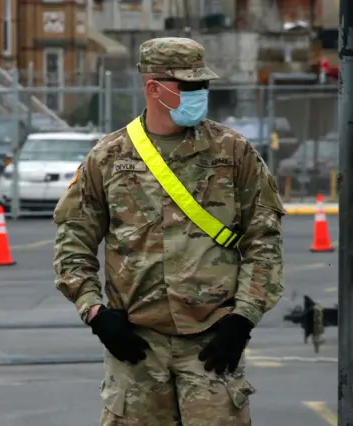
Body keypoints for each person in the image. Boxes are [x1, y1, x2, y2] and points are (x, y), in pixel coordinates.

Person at [53, 37, 285, 425]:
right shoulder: (108, 157)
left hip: (212, 342)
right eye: (188, 86)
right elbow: (72, 241)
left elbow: (264, 240)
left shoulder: (232, 152)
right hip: (136, 347)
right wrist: (95, 312)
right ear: (153, 88)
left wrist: (243, 317)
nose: (199, 94)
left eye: (203, 85)